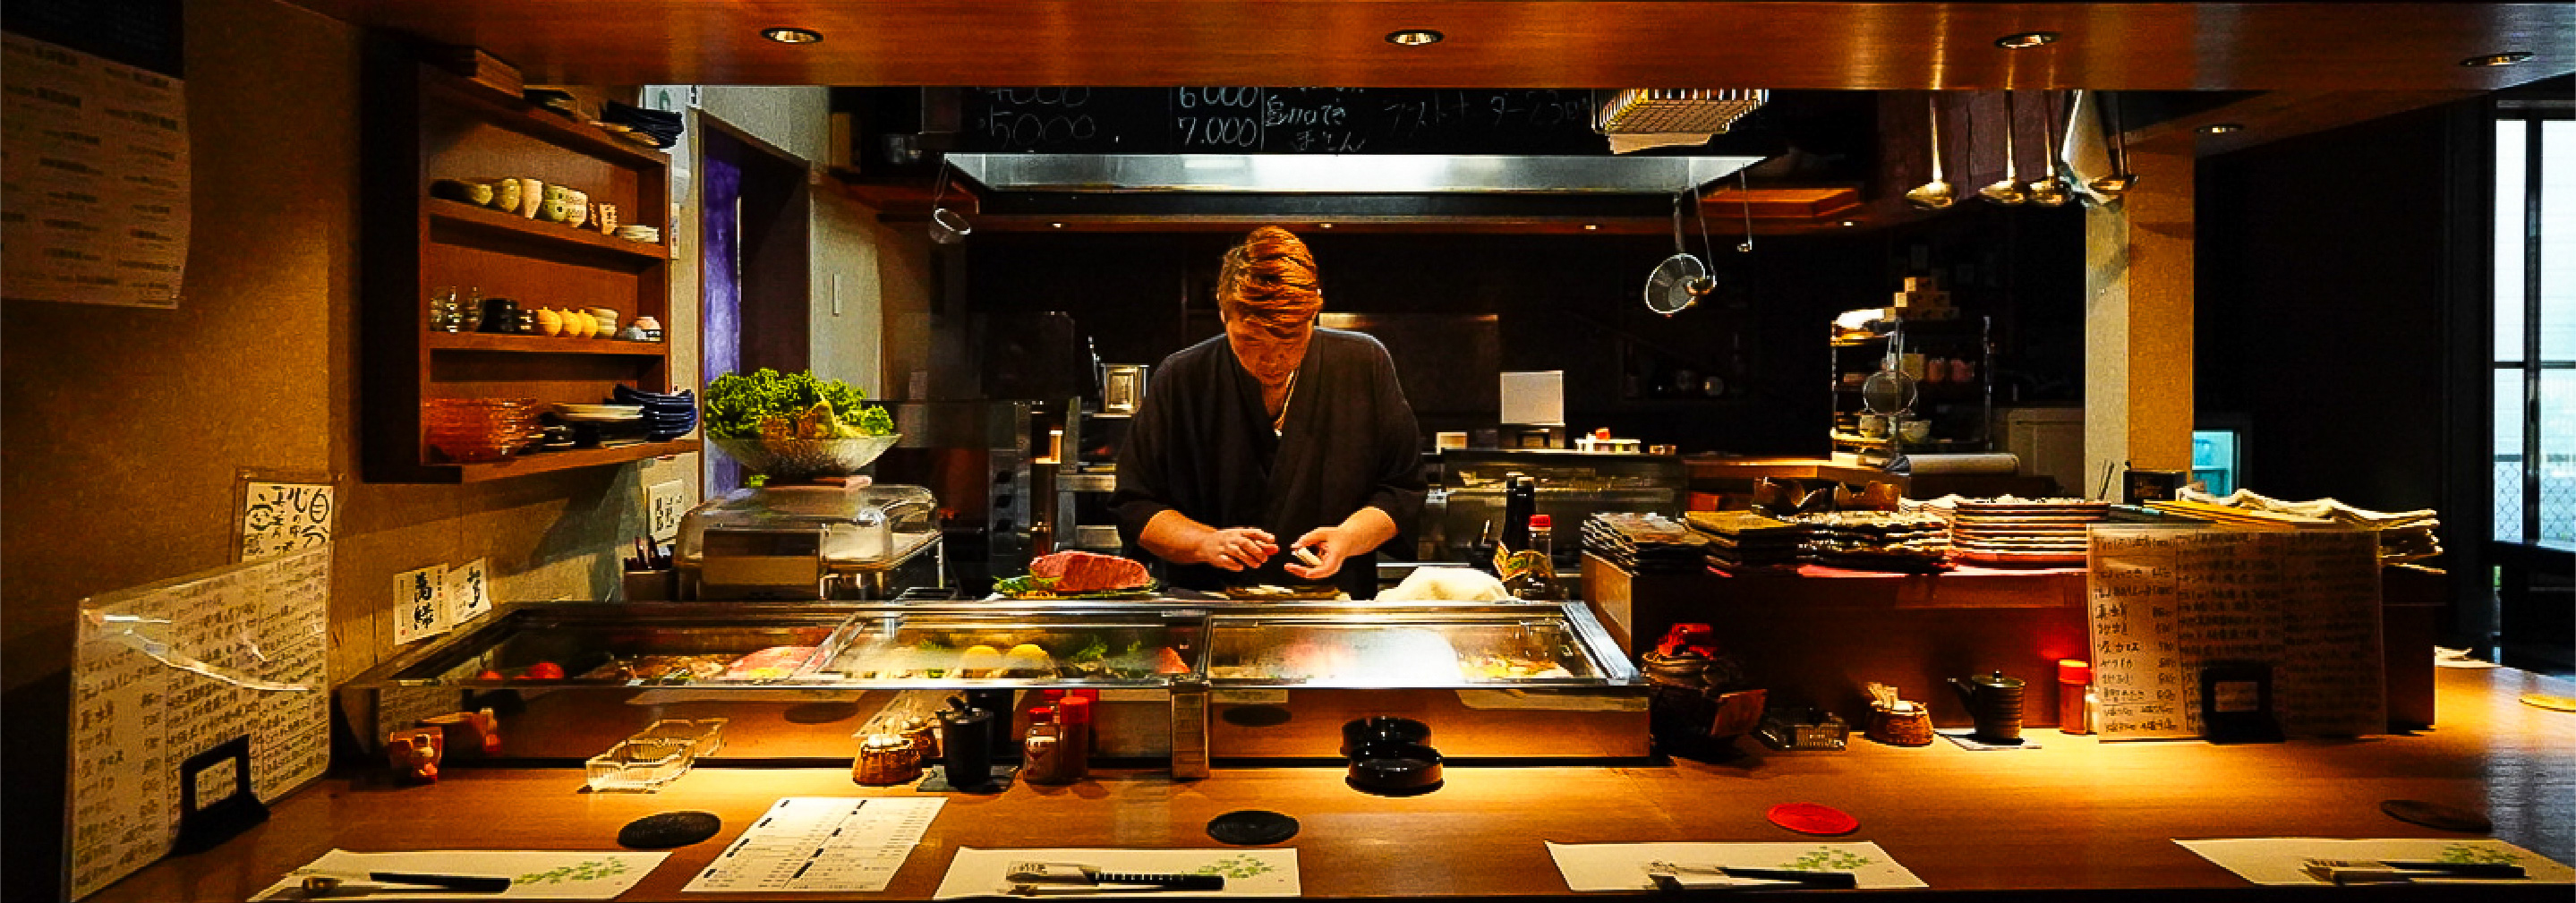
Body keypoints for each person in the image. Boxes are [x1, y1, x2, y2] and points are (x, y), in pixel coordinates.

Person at [1112, 226, 1424, 599]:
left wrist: (1348, 537)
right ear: (1223, 314)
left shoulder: (1364, 363)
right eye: (1250, 341)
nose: (1272, 359)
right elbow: (1135, 503)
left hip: (1332, 611)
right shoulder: (1182, 377)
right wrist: (1204, 543)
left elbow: (1401, 489)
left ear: (1314, 312)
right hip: (1204, 609)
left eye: (1291, 340)